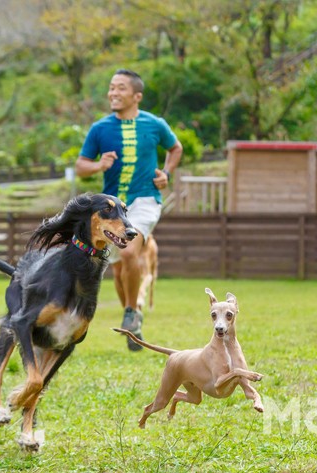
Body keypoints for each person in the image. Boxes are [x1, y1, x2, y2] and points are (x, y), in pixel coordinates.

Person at [75, 69, 183, 351]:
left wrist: (166, 173)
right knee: (120, 268)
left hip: (146, 200)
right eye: (111, 88)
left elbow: (176, 148)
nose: (113, 93)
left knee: (130, 250)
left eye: (120, 88)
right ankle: (132, 320)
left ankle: (132, 313)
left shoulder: (154, 124)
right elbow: (81, 166)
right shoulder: (100, 129)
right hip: (112, 208)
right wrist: (99, 165)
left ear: (136, 96)